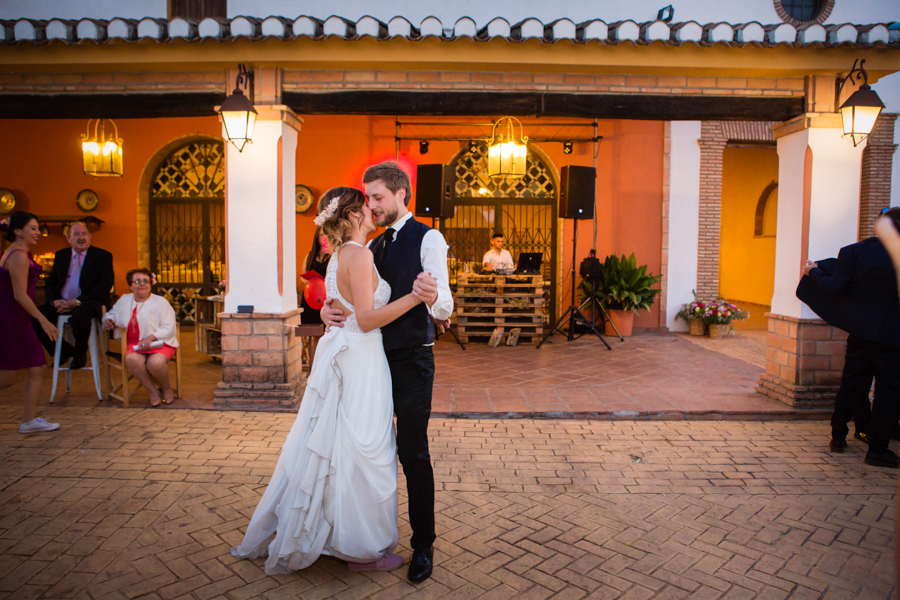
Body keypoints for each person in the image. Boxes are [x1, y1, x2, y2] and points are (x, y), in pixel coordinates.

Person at [231, 187, 429, 574]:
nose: (373, 209)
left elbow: (340, 306)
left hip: (349, 353)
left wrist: (326, 313)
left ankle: (336, 534)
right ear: (354, 214)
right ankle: (361, 548)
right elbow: (367, 318)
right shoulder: (359, 254)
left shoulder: (338, 255)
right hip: (361, 355)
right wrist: (414, 298)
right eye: (367, 204)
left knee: (343, 446)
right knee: (361, 449)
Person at [322, 162, 453, 583]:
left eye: (378, 197)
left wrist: (433, 301)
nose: (372, 205)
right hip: (372, 363)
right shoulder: (370, 247)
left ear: (402, 195)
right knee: (370, 451)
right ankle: (361, 534)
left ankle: (423, 545)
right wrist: (328, 309)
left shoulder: (428, 236)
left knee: (412, 452)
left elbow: (444, 303)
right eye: (368, 198)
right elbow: (355, 299)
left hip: (412, 360)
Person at [799, 207, 900, 468]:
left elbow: (834, 286)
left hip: (860, 333)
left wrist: (813, 272)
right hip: (893, 337)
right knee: (887, 392)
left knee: (852, 384)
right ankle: (877, 450)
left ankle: (838, 437)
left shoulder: (854, 251)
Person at [0, 212, 61, 434]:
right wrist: (43, 320)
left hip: (17, 318)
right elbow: (19, 294)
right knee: (7, 376)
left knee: (37, 367)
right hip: (10, 319)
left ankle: (28, 421)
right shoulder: (18, 255)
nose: (38, 233)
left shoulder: (21, 252)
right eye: (33, 228)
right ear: (18, 231)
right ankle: (28, 421)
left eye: (38, 228)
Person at [34, 221, 114, 370]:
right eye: (76, 234)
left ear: (90, 237)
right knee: (35, 317)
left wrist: (76, 301)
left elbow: (104, 287)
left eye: (84, 234)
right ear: (68, 238)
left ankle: (80, 354)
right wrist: (54, 301)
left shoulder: (103, 256)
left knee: (80, 315)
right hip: (62, 303)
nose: (81, 237)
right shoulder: (61, 255)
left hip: (88, 303)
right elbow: (50, 283)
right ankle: (64, 350)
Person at [102, 268, 178, 407]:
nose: (142, 284)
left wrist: (151, 338)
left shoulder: (160, 302)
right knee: (131, 359)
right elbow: (111, 314)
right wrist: (108, 320)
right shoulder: (124, 299)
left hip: (160, 342)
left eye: (145, 281)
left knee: (154, 363)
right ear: (131, 285)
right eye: (137, 281)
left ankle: (166, 388)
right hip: (134, 344)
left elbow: (169, 326)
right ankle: (152, 391)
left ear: (150, 284)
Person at [300, 227, 330, 325]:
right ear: (317, 238)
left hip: (325, 297)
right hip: (310, 297)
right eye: (321, 235)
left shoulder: (332, 256)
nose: (324, 238)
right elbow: (302, 276)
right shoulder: (310, 256)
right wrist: (308, 282)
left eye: (326, 234)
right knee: (308, 326)